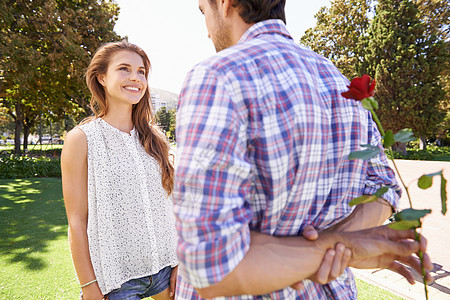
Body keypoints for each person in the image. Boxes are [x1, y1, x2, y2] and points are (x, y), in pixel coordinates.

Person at [172, 0, 433, 299]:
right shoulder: (340, 82)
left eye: (203, 10)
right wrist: (339, 245)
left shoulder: (218, 76)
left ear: (224, 4)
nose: (206, 31)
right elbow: (383, 188)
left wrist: (329, 247)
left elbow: (210, 267)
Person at [61, 41, 178, 300]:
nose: (135, 78)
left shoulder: (155, 137)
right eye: (124, 69)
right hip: (116, 280)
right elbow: (77, 222)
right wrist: (88, 285)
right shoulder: (81, 139)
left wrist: (181, 261)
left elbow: (172, 204)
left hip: (168, 268)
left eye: (141, 72)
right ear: (101, 77)